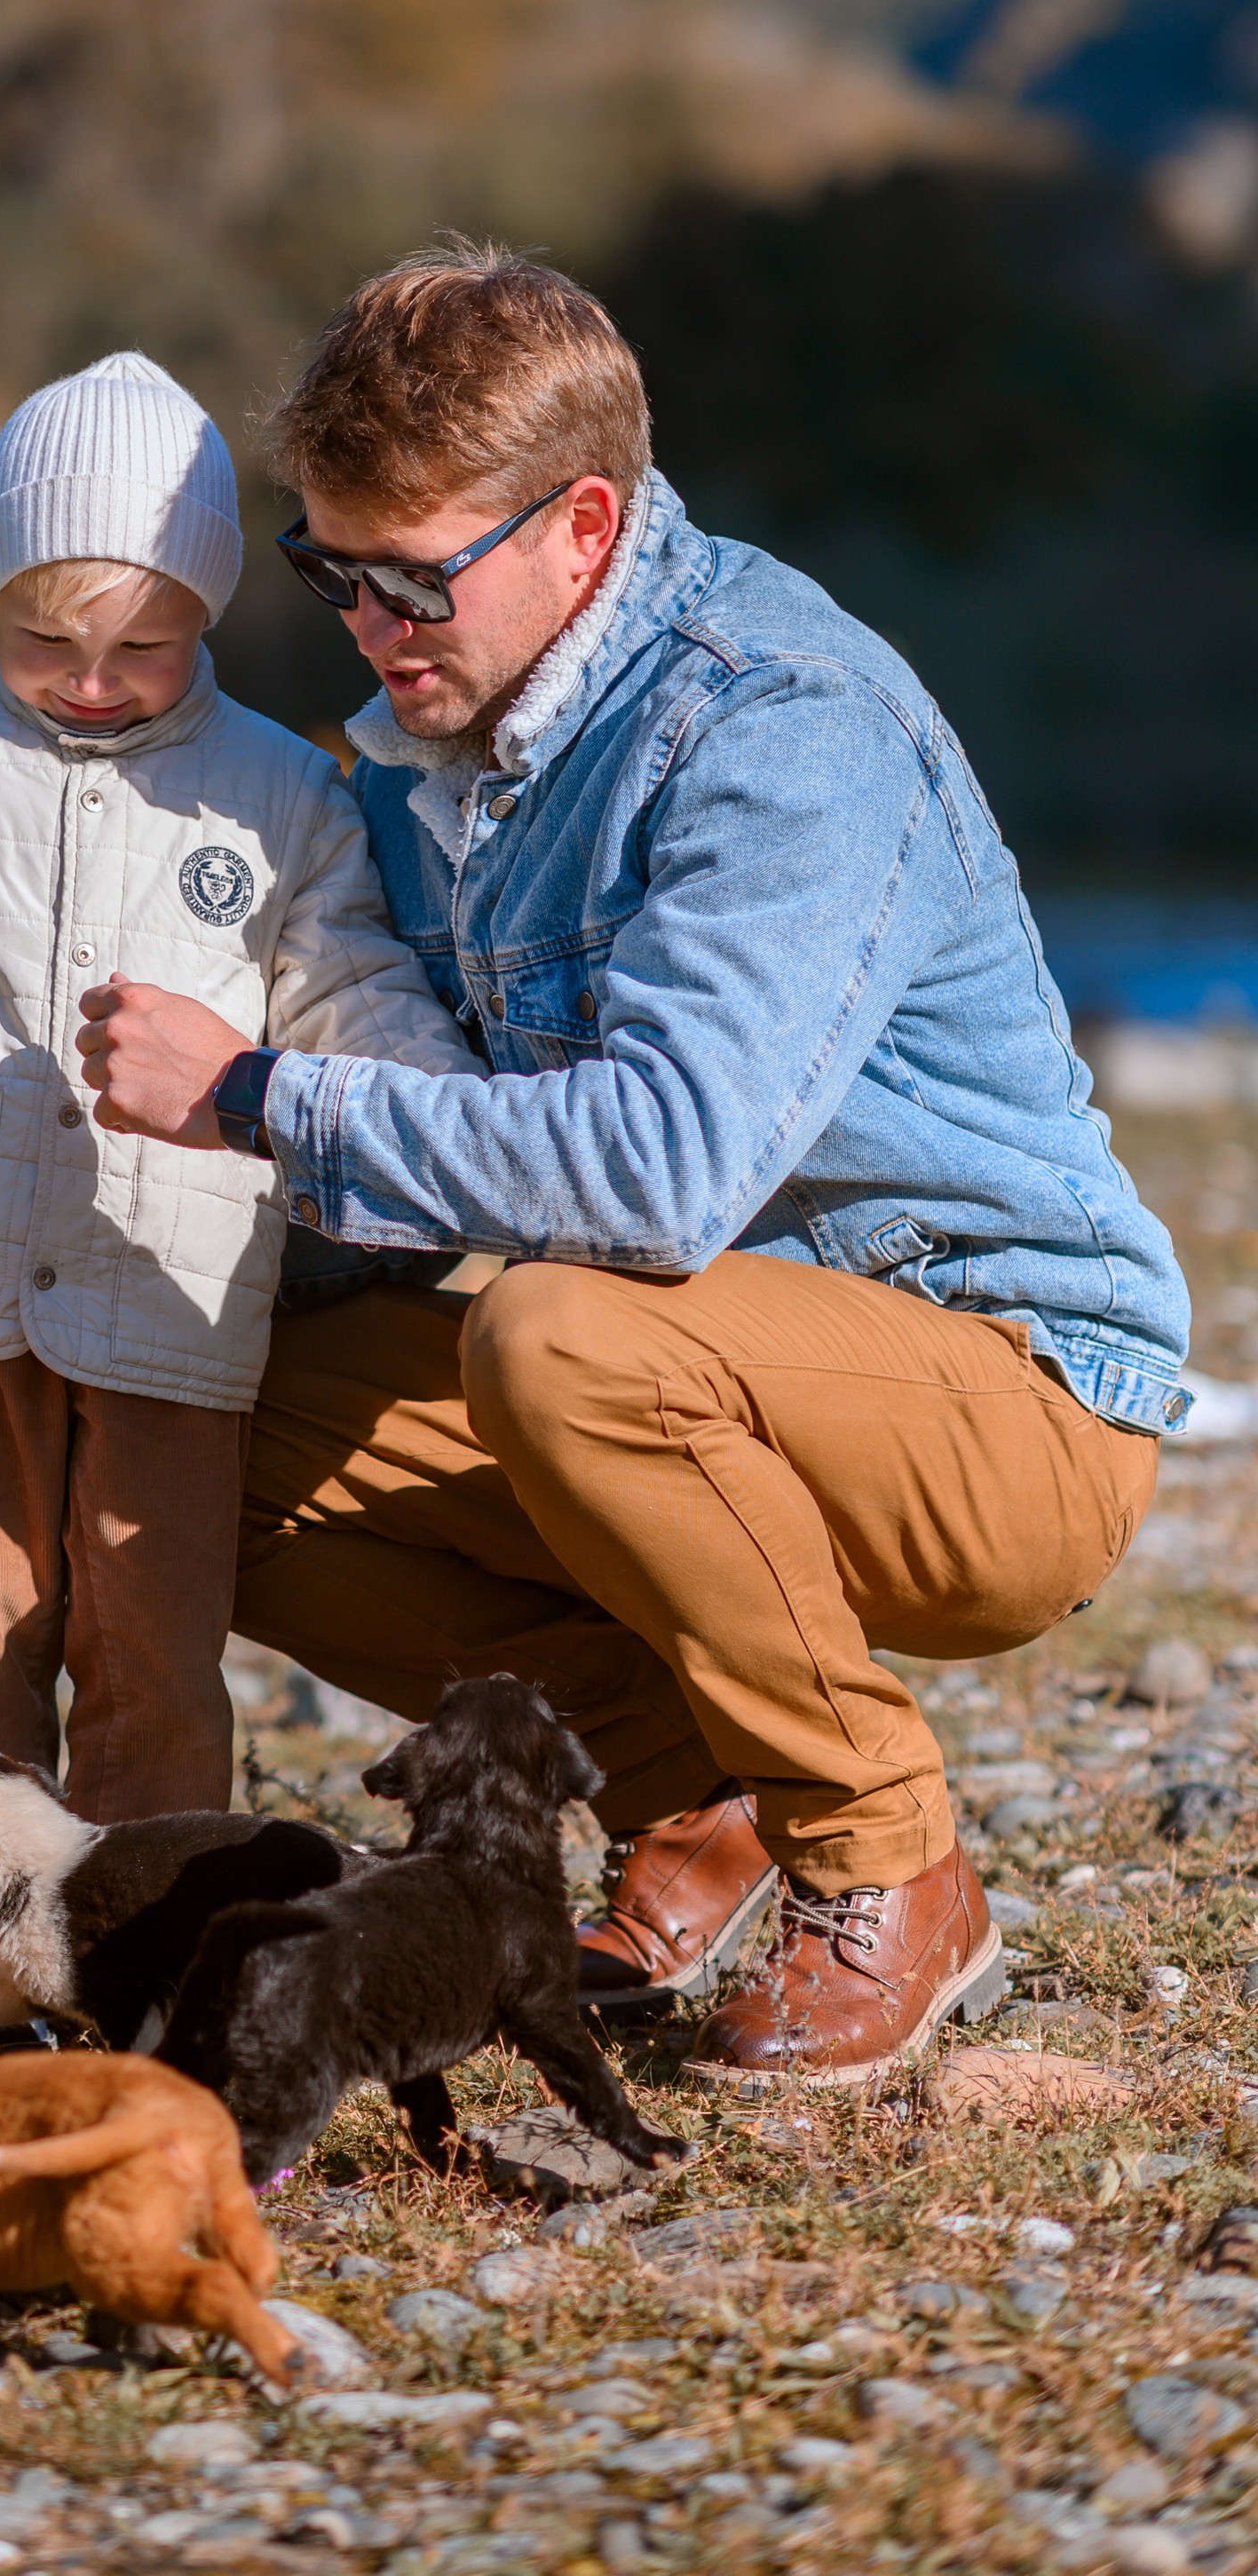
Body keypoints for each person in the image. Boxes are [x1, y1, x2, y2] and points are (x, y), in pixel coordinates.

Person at [76, 243, 1190, 2083]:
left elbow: (657, 1175)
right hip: (698, 1378)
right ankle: (686, 1803)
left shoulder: (778, 723)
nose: (364, 620)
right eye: (326, 570)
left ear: (581, 527)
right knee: (195, 1423)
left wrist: (257, 1098)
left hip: (1003, 1398)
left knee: (559, 1338)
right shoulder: (432, 752)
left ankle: (893, 1867)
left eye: (407, 576)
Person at [0, 350, 475, 1941]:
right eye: (47, 642)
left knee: (151, 1640)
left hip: (170, 1282)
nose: (94, 679)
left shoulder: (279, 790)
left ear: (210, 619)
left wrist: (426, 1110)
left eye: (145, 648)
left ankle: (142, 1933)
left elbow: (345, 981)